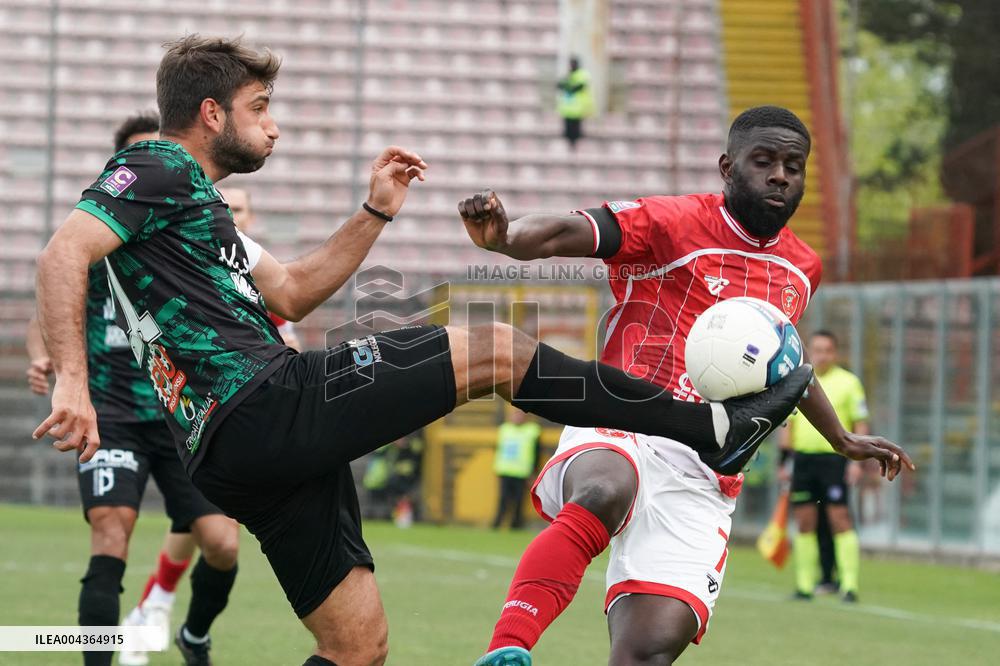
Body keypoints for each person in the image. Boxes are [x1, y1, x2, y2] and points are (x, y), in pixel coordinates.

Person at [33, 36, 812, 666]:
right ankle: (708, 428)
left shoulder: (204, 216)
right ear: (210, 113)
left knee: (356, 648)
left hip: (238, 452)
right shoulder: (159, 164)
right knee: (495, 350)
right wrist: (74, 380)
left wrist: (375, 211)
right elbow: (63, 252)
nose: (273, 126)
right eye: (259, 108)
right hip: (262, 400)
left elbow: (297, 291)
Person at [458, 105, 915, 666]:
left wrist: (841, 437)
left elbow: (785, 362)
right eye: (764, 161)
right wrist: (508, 237)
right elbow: (565, 231)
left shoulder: (802, 267)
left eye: (793, 166)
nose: (780, 175)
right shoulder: (670, 221)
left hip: (708, 462)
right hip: (624, 418)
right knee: (603, 491)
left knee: (648, 650)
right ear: (727, 167)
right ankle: (508, 649)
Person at [26, 111, 240, 666]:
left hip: (182, 419)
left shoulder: (187, 248)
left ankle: (193, 633)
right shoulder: (95, 242)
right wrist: (42, 354)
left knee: (221, 545)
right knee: (111, 535)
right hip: (114, 416)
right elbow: (46, 301)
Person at [778, 330, 870, 603]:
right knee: (805, 521)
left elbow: (860, 422)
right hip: (803, 461)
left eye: (827, 350)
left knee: (839, 519)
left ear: (835, 353)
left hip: (834, 461)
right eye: (816, 349)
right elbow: (788, 424)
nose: (821, 355)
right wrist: (785, 461)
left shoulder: (849, 383)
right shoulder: (798, 380)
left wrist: (858, 462)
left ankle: (849, 586)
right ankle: (805, 586)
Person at [219, 185, 302, 350]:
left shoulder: (265, 271)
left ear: (250, 218)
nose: (229, 214)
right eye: (221, 208)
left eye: (237, 209)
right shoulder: (187, 259)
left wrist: (291, 346)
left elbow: (286, 336)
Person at [492, 408, 542, 530]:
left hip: (522, 472)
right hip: (505, 470)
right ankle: (497, 523)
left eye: (520, 415)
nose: (517, 417)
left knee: (519, 501)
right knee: (503, 499)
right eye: (515, 415)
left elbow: (536, 454)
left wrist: (533, 472)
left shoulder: (532, 431)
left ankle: (516, 525)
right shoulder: (504, 429)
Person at [556, 56, 593, 151]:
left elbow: (577, 87)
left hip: (577, 107)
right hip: (568, 108)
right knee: (568, 131)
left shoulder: (582, 74)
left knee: (576, 130)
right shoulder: (569, 75)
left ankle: (575, 146)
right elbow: (559, 85)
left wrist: (567, 86)